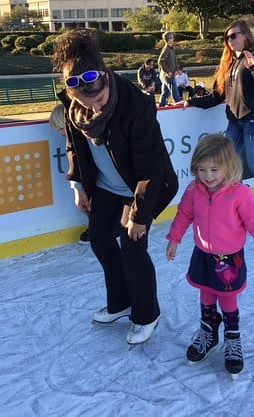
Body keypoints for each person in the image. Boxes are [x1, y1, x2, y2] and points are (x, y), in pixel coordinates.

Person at [53, 29, 178, 345]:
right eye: (83, 100)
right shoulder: (72, 106)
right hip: (107, 187)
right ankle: (121, 301)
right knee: (99, 240)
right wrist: (78, 186)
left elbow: (150, 169)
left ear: (107, 78)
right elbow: (74, 146)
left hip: (144, 187)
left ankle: (146, 314)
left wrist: (137, 216)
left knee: (132, 247)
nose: (92, 108)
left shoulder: (137, 105)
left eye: (98, 100)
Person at [166, 134, 254, 377]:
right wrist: (174, 238)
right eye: (202, 169)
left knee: (227, 298)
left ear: (229, 166)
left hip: (228, 260)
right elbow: (183, 214)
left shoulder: (240, 194)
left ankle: (232, 339)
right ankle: (208, 331)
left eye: (214, 169)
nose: (207, 175)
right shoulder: (195, 190)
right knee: (205, 292)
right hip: (203, 254)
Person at [183, 19, 254, 221]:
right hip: (235, 122)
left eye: (233, 36)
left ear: (245, 35)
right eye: (226, 38)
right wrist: (192, 101)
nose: (229, 40)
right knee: (225, 164)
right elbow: (218, 96)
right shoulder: (231, 64)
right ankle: (237, 201)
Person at [50, 103, 89, 244]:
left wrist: (78, 187)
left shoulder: (81, 139)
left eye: (61, 128)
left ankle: (105, 229)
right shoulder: (72, 140)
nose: (60, 133)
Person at [157, 31, 181, 106]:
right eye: (171, 38)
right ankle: (179, 107)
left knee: (165, 94)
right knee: (175, 93)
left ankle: (160, 107)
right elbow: (160, 61)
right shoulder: (166, 49)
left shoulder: (171, 49)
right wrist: (168, 72)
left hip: (170, 75)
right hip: (168, 76)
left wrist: (177, 69)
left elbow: (174, 61)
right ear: (167, 39)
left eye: (173, 37)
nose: (173, 39)